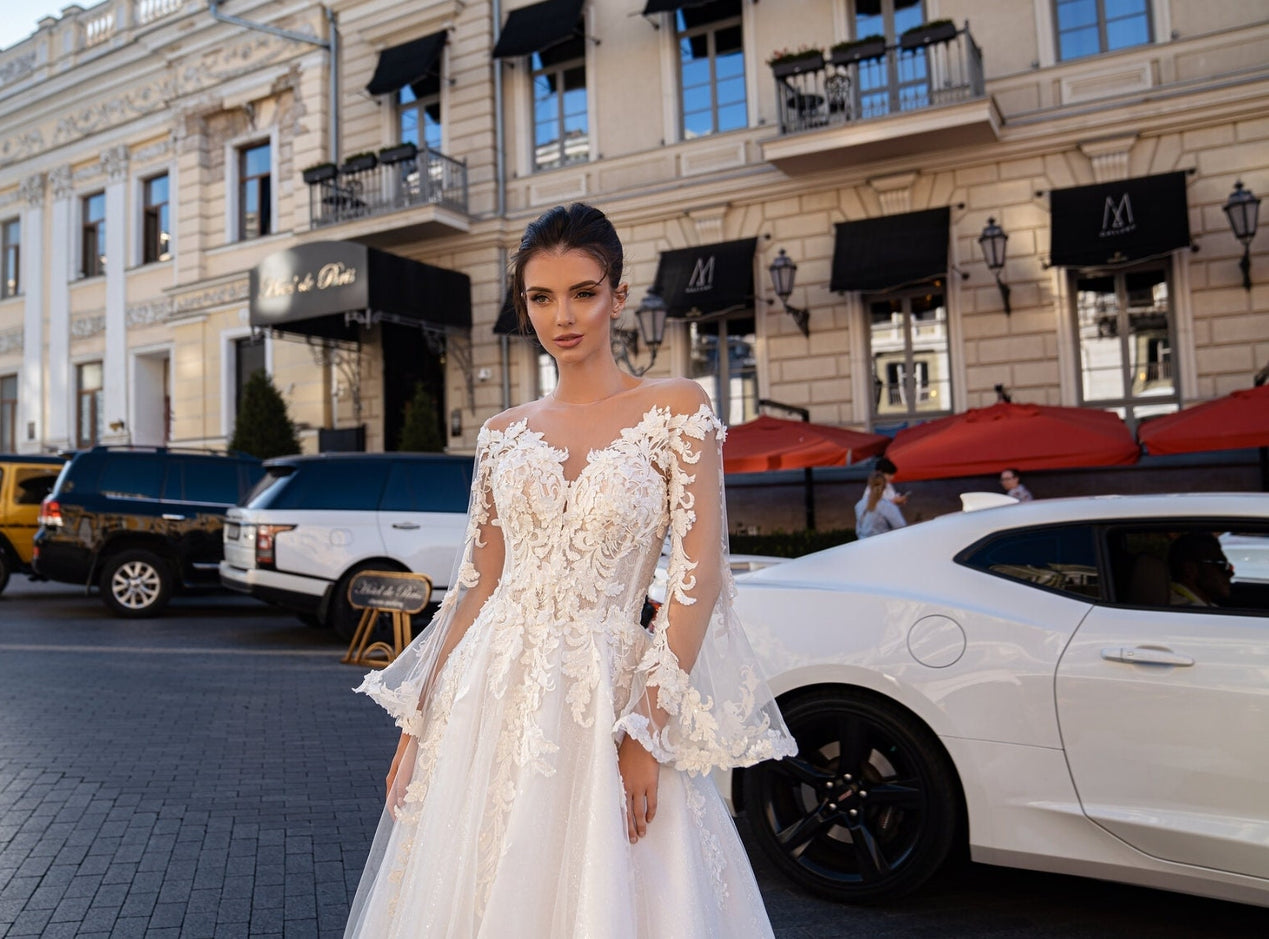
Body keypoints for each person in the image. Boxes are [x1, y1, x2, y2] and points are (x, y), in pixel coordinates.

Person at [346, 203, 794, 937]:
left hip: (606, 691)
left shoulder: (676, 407)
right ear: (523, 305)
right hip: (486, 697)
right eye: (541, 296)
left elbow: (698, 574)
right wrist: (417, 727)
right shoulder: (501, 434)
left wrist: (645, 730)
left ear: (618, 296)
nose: (564, 315)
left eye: (583, 292)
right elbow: (474, 588)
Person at [1167, 532, 1234, 607]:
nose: (1231, 573)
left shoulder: (1201, 607)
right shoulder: (1184, 609)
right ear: (1190, 569)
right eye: (1222, 565)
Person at [855, 471, 907, 539]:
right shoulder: (887, 506)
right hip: (884, 545)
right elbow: (901, 527)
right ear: (885, 486)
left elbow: (859, 531)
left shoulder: (859, 505)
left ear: (869, 486)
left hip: (864, 546)